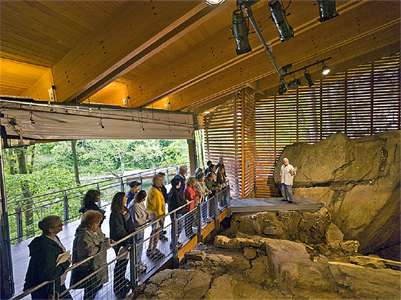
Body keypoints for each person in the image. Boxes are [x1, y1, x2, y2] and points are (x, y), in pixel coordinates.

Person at [24, 215, 72, 299]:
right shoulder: (45, 248)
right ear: (50, 229)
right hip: (48, 289)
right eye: (59, 225)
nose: (62, 225)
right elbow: (49, 274)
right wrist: (66, 263)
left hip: (57, 283)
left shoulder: (54, 238)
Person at [70, 211, 110, 300]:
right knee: (90, 293)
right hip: (90, 269)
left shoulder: (96, 230)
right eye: (97, 223)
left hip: (98, 265)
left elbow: (103, 239)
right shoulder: (83, 235)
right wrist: (104, 244)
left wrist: (107, 241)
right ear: (90, 223)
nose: (99, 225)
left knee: (93, 290)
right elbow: (89, 252)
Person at [109, 192, 135, 298]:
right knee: (120, 264)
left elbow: (129, 222)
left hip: (127, 240)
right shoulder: (115, 214)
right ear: (120, 200)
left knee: (124, 264)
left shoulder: (124, 209)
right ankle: (118, 287)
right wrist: (127, 238)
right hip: (121, 242)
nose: (126, 198)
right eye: (124, 198)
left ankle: (122, 282)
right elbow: (119, 230)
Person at [128, 190, 148, 273]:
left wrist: (146, 216)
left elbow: (145, 211)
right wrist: (146, 218)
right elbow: (136, 220)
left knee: (140, 246)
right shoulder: (134, 205)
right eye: (143, 199)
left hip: (141, 227)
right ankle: (136, 266)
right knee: (137, 247)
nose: (144, 200)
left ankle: (139, 262)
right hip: (137, 229)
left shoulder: (139, 202)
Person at [146, 174, 166, 259]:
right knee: (155, 233)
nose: (163, 183)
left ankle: (152, 248)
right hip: (156, 216)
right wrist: (161, 218)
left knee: (154, 232)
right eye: (161, 181)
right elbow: (157, 207)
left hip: (155, 215)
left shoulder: (154, 190)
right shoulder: (155, 192)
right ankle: (152, 249)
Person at [167, 177, 187, 249]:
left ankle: (175, 242)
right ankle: (174, 243)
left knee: (177, 228)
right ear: (177, 184)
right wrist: (184, 203)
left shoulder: (174, 191)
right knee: (178, 227)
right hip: (177, 212)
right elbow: (177, 203)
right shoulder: (174, 192)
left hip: (177, 212)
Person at [157, 172, 168, 241]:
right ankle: (160, 235)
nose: (163, 179)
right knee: (160, 221)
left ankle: (161, 232)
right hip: (159, 207)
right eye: (162, 178)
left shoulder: (161, 186)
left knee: (162, 220)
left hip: (163, 205)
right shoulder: (157, 187)